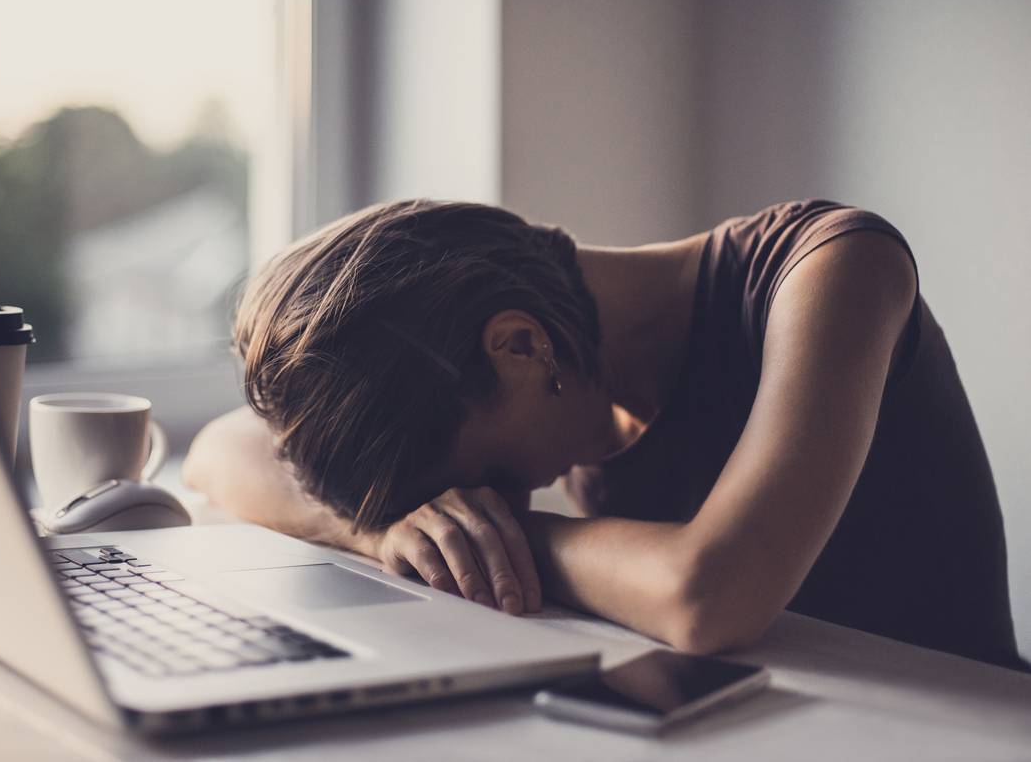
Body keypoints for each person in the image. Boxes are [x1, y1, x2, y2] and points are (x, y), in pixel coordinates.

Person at [183, 198, 1026, 671]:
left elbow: (712, 596)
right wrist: (385, 527)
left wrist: (508, 539)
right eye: (476, 503)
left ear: (520, 346)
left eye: (487, 479)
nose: (489, 504)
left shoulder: (832, 270)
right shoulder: (470, 345)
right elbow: (220, 449)